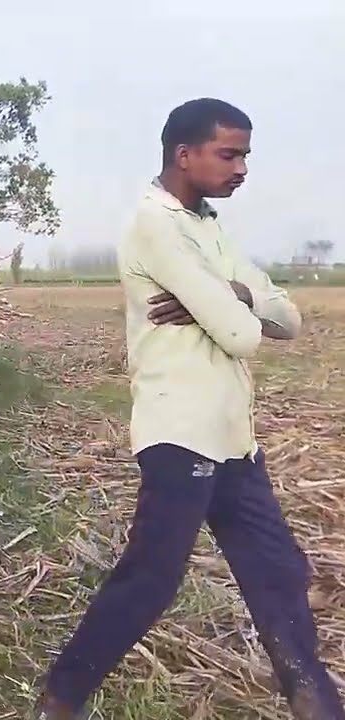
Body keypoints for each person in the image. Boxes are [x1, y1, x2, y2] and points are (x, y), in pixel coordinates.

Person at [34, 98, 344, 720]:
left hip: (233, 439)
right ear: (185, 154)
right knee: (150, 580)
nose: (242, 169)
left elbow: (289, 316)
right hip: (180, 434)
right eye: (229, 154)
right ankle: (61, 699)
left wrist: (227, 292)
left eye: (245, 155)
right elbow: (244, 336)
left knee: (279, 573)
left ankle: (318, 705)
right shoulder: (157, 225)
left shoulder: (208, 228)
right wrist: (233, 309)